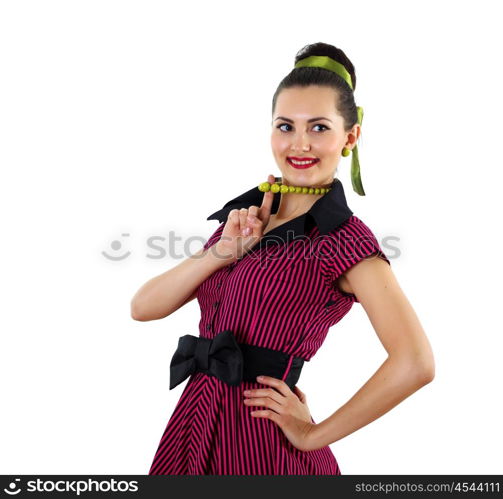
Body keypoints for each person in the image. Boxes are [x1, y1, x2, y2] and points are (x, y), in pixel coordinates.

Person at [131, 42, 435, 475]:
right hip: (191, 429)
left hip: (261, 447)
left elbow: (416, 363)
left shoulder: (344, 240)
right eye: (286, 126)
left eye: (319, 128)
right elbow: (143, 307)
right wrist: (221, 253)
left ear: (349, 137)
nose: (300, 144)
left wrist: (314, 434)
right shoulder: (247, 219)